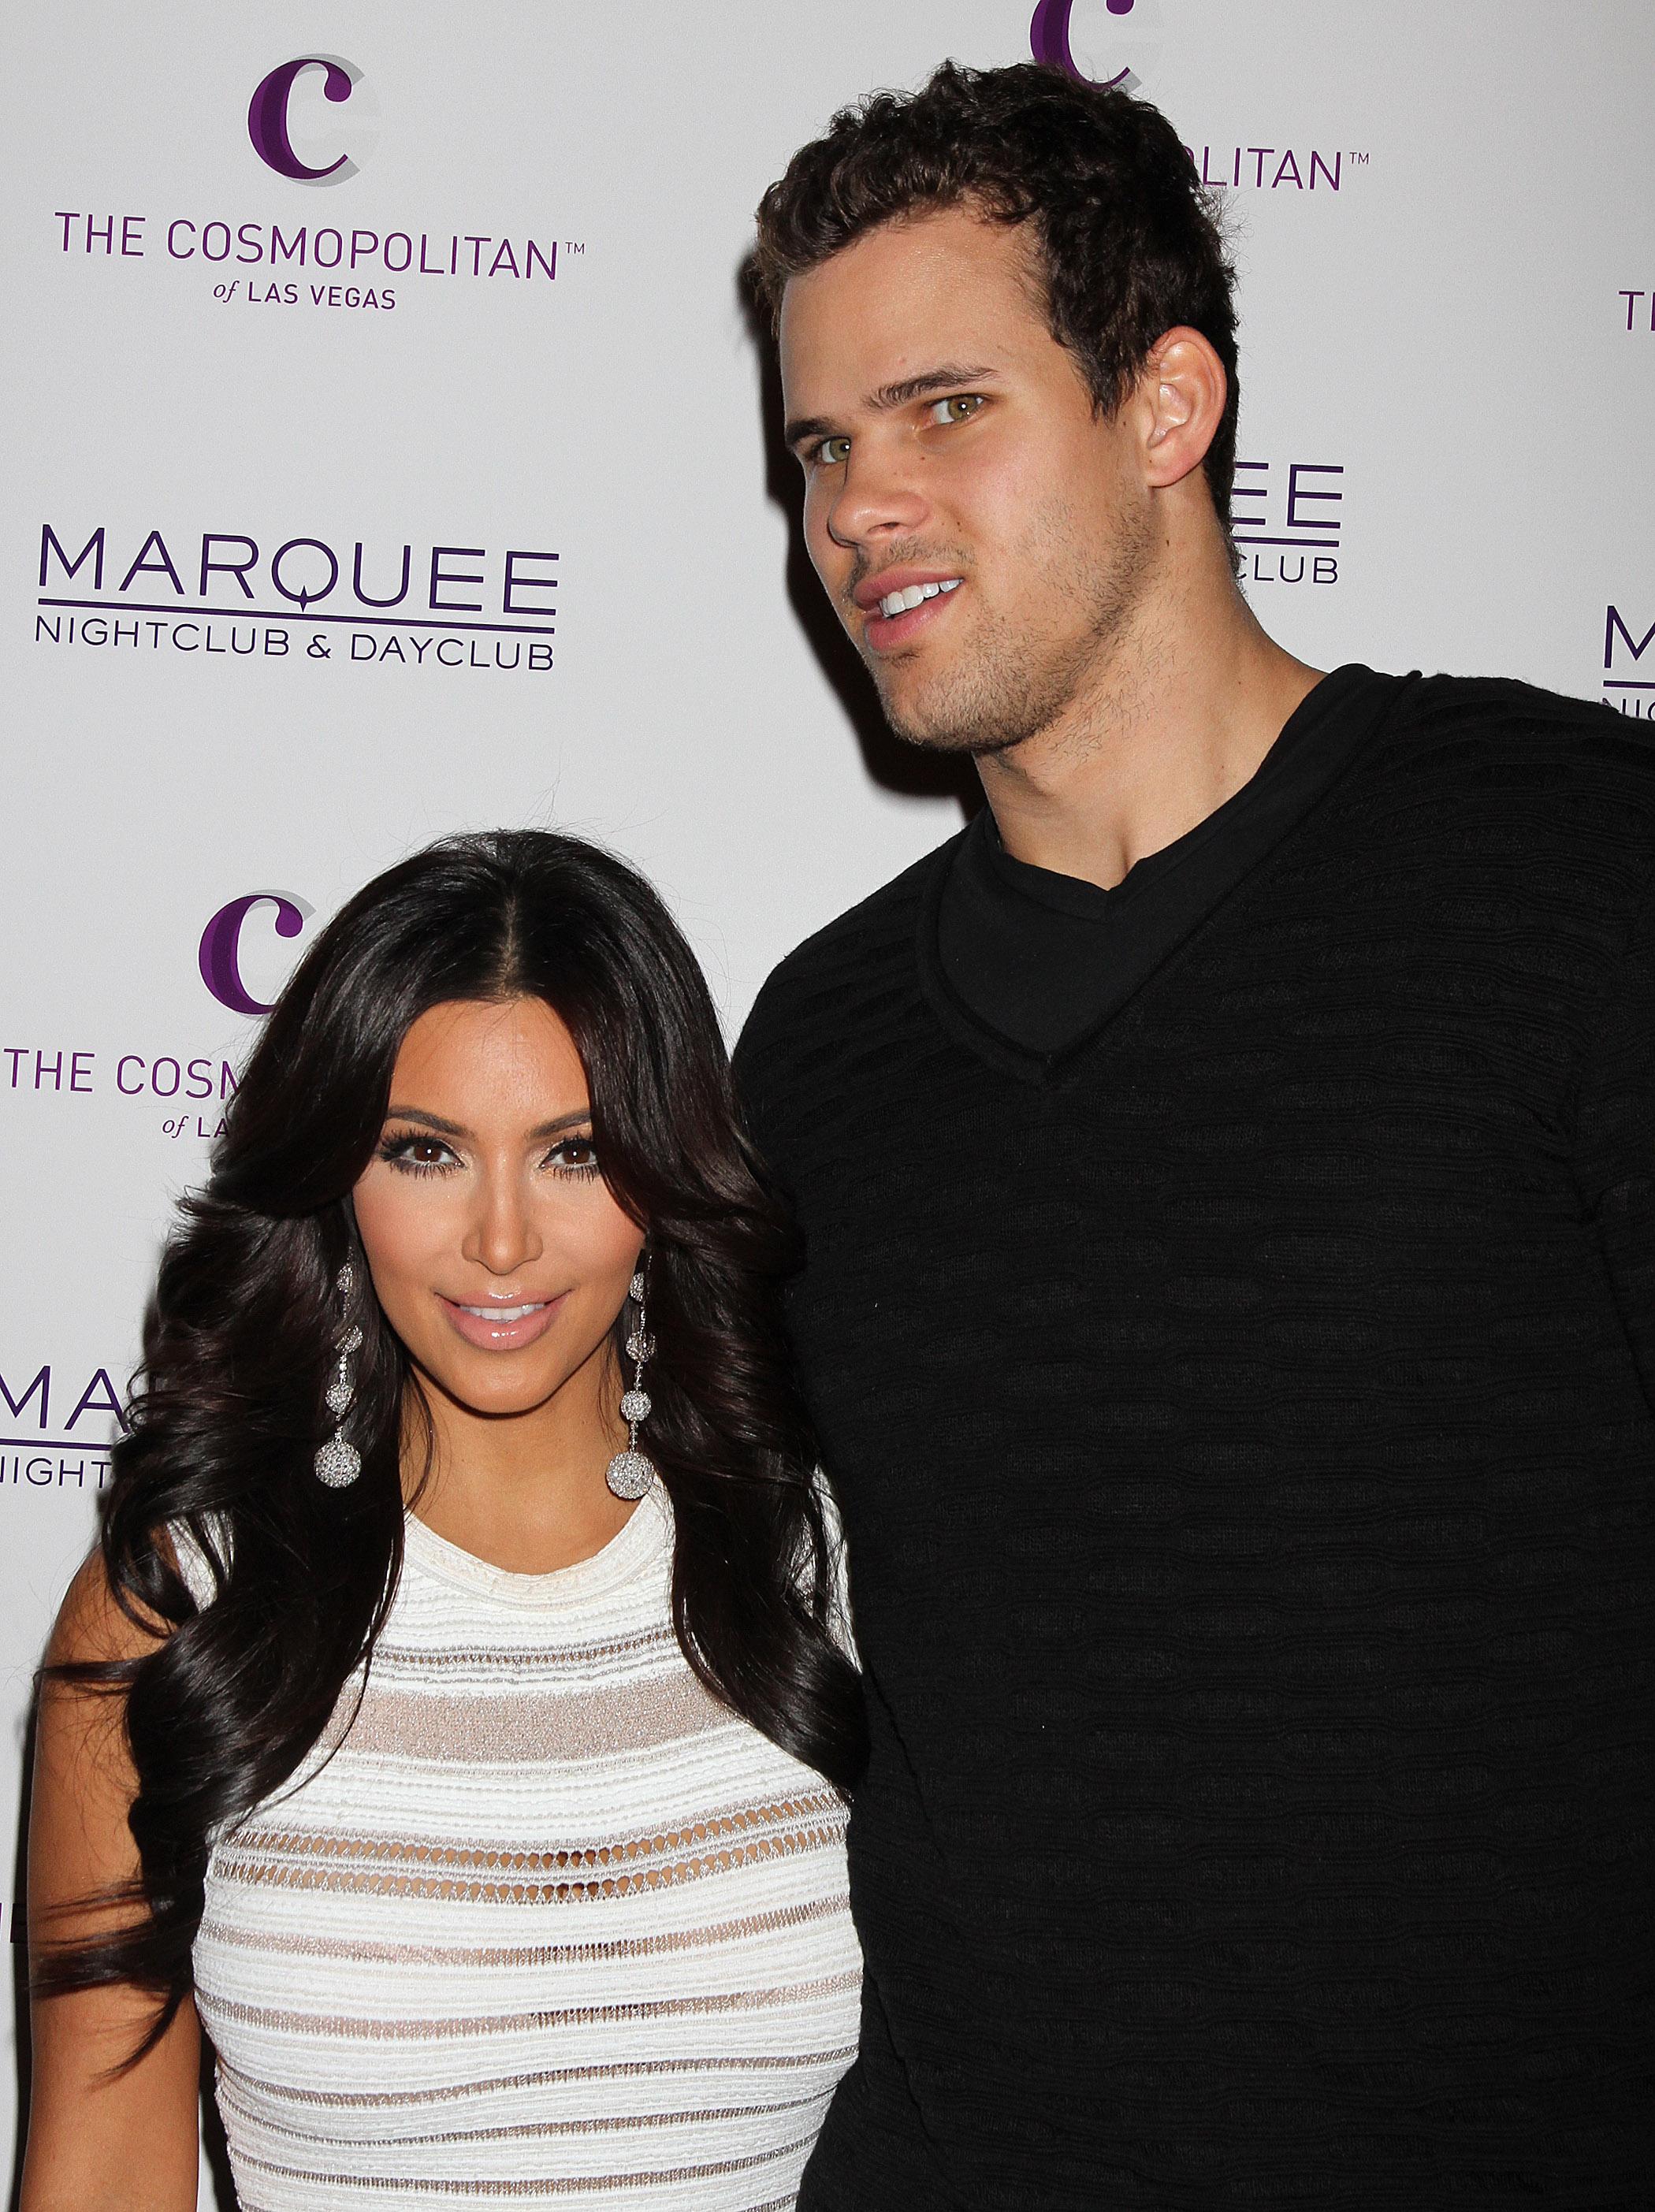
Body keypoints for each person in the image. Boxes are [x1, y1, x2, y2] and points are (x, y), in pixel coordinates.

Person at [735, 58, 1655, 2210]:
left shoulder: (1566, 874)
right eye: (819, 446)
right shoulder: (822, 1049)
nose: (860, 506)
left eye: (946, 409)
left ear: (1166, 409)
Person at [24, 830, 865, 2212]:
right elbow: (103, 2169)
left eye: (574, 1152)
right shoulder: (183, 1600)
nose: (498, 1241)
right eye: (424, 1152)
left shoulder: (814, 1558)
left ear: (665, 1171)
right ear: (340, 1179)